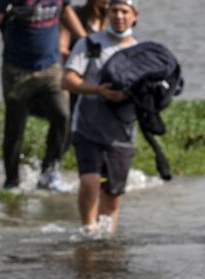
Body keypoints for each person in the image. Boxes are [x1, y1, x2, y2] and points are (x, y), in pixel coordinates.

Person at [0, 0, 86, 191]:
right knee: (15, 126)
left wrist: (86, 40)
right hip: (17, 71)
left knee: (62, 116)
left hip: (51, 69)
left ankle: (49, 173)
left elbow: (66, 12)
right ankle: (12, 181)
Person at [61, 0, 138, 237]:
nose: (119, 16)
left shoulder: (139, 52)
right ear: (108, 13)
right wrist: (99, 91)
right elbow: (67, 81)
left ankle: (106, 242)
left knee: (113, 198)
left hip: (121, 133)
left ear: (134, 16)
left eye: (124, 11)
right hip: (87, 127)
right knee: (90, 182)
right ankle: (88, 232)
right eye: (114, 10)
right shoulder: (89, 44)